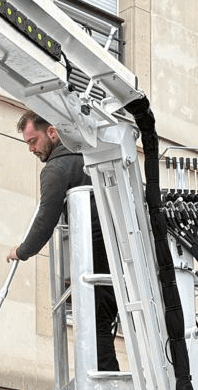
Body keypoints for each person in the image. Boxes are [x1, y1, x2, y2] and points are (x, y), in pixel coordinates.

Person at [7, 112, 120, 371]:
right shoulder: (92, 158)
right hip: (120, 251)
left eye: (33, 141)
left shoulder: (55, 169)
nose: (31, 149)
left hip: (96, 254)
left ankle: (106, 378)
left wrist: (21, 251)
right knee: (111, 317)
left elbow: (45, 221)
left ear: (52, 132)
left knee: (96, 321)